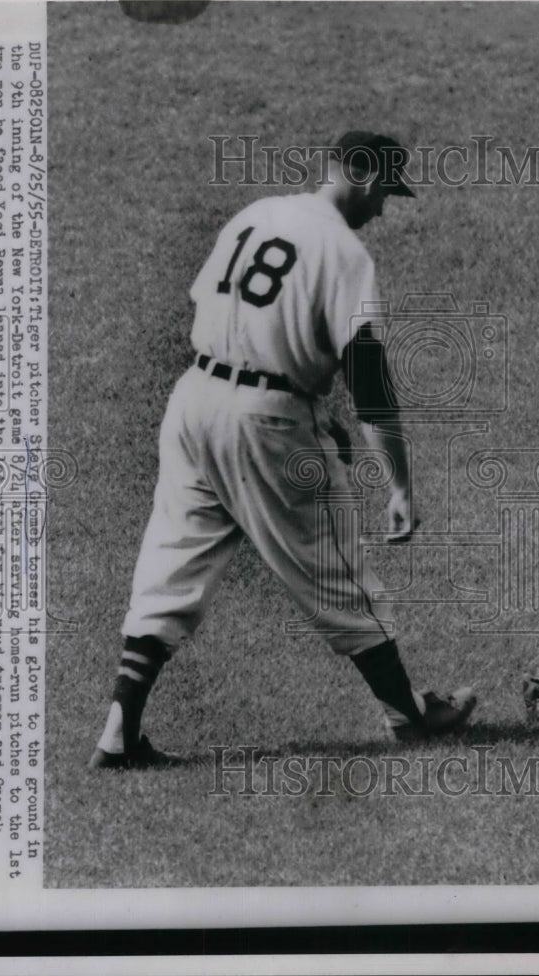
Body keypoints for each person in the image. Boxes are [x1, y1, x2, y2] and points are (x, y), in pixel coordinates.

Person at [89, 131, 476, 769]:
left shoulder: (257, 214)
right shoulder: (344, 251)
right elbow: (371, 385)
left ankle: (118, 733)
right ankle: (408, 715)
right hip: (265, 424)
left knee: (171, 564)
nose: (384, 207)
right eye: (385, 191)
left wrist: (302, 396)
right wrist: (401, 485)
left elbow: (218, 308)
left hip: (193, 403)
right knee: (336, 566)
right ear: (361, 176)